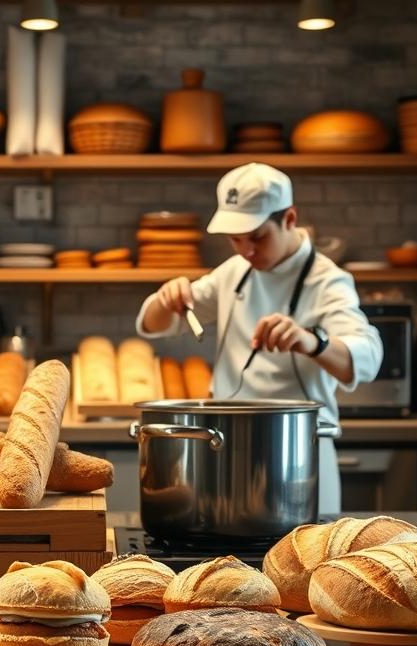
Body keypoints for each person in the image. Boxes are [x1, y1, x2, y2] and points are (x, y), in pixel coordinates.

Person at [136, 162, 383, 513]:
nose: (246, 250)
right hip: (226, 449)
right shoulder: (234, 272)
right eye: (236, 239)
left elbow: (368, 358)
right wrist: (166, 298)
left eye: (257, 237)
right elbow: (154, 323)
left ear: (290, 219)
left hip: (299, 454)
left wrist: (311, 341)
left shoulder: (328, 280)